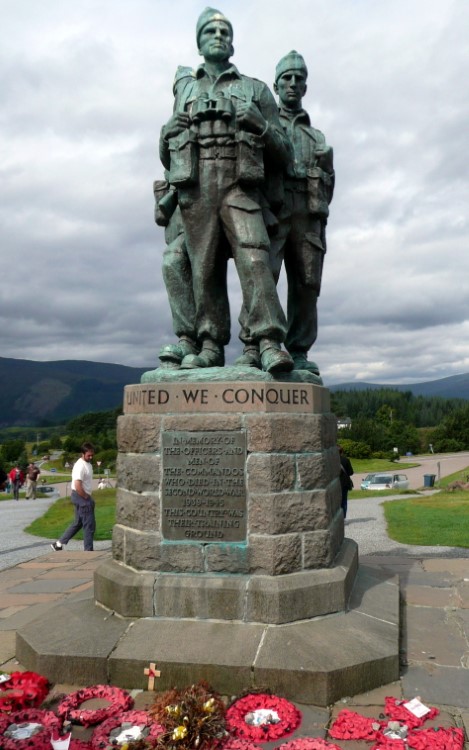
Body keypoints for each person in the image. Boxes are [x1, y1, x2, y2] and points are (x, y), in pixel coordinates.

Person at [159, 7, 293, 373]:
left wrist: (262, 126)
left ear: (232, 42)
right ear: (199, 42)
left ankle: (267, 340)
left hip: (238, 183)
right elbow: (168, 154)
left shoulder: (255, 88)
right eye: (210, 32)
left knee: (255, 256)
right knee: (203, 268)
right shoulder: (186, 89)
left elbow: (286, 152)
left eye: (224, 32)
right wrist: (165, 132)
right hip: (196, 186)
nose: (218, 37)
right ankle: (209, 345)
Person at [238, 51, 334, 374]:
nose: (293, 84)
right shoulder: (265, 120)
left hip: (307, 213)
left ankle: (299, 349)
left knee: (307, 286)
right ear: (276, 86)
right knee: (263, 273)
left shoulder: (315, 136)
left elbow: (329, 189)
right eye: (287, 78)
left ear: (305, 87)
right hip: (275, 209)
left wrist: (327, 168)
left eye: (299, 79)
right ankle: (254, 344)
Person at [51, 443, 96, 552]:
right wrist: (86, 498)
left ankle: (58, 544)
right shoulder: (80, 466)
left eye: (92, 455)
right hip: (80, 495)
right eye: (88, 455)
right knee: (89, 525)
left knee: (78, 523)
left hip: (81, 495)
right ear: (83, 454)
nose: (91, 457)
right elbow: (77, 485)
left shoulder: (88, 464)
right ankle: (88, 551)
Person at [339, 445, 354, 519]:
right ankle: (343, 517)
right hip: (344, 483)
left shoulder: (331, 460)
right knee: (344, 500)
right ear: (342, 452)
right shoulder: (346, 460)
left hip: (335, 484)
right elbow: (351, 472)